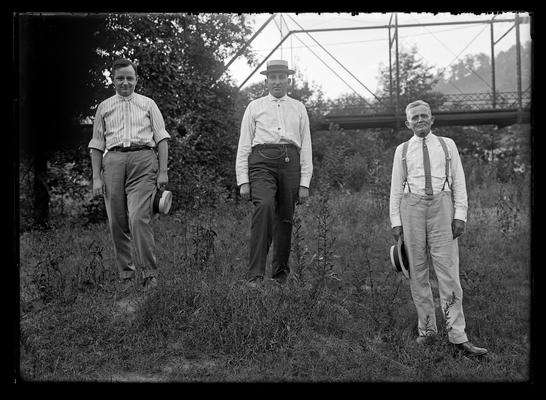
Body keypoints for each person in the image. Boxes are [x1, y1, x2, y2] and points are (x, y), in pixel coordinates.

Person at [389, 100, 487, 357]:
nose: (420, 120)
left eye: (424, 116)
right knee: (417, 272)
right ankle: (428, 331)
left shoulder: (447, 145)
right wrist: (396, 223)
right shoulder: (401, 151)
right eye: (415, 117)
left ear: (432, 119)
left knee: (448, 272)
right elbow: (396, 189)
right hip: (411, 208)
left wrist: (460, 215)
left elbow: (460, 183)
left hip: (442, 207)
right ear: (407, 123)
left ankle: (458, 336)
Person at [89, 58, 170, 292]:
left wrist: (162, 171)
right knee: (117, 221)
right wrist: (96, 177)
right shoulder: (104, 107)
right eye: (120, 78)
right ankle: (126, 275)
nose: (125, 82)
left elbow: (162, 138)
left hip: (143, 160)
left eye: (130, 78)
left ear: (136, 80)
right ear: (113, 80)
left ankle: (150, 275)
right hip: (112, 161)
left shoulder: (148, 104)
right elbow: (96, 144)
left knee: (137, 218)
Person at [235, 60, 313, 287]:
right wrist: (243, 180)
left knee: (285, 219)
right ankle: (255, 277)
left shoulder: (298, 107)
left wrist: (305, 182)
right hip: (261, 163)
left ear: (288, 80)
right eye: (273, 77)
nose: (277, 81)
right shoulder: (254, 106)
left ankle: (280, 276)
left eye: (281, 77)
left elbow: (306, 145)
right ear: (266, 80)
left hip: (291, 164)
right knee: (265, 206)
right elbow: (244, 146)